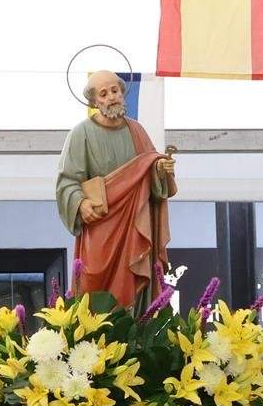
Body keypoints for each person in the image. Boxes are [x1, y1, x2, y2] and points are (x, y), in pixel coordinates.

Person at [55, 70, 175, 310]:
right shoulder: (82, 133)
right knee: (94, 286)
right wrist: (81, 203)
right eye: (104, 93)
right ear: (94, 102)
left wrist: (161, 169)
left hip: (134, 224)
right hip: (100, 224)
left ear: (122, 94)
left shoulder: (137, 131)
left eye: (115, 91)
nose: (111, 97)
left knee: (134, 278)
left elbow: (149, 171)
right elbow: (67, 181)